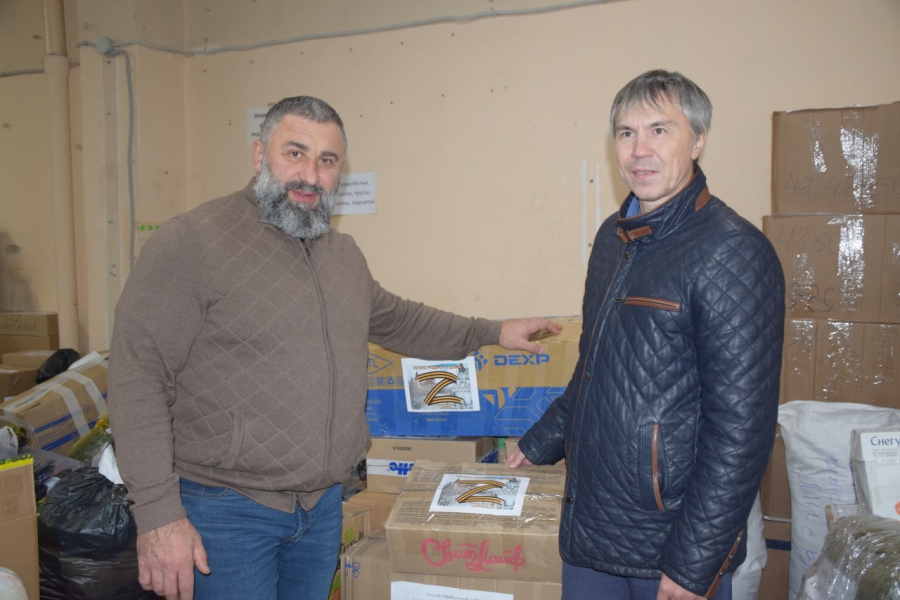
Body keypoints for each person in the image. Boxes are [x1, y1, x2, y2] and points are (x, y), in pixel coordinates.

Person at [108, 95, 559, 600]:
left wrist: (493, 330)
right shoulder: (193, 242)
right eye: (294, 153)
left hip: (321, 509)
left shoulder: (341, 254)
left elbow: (401, 320)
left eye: (327, 160)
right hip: (226, 512)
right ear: (259, 155)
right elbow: (137, 377)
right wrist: (158, 515)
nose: (310, 175)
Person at [508, 70, 785, 600]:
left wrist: (695, 562)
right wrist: (541, 440)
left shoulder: (733, 251)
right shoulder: (612, 240)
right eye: (626, 133)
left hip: (670, 542)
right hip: (592, 527)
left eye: (659, 130)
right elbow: (596, 366)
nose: (640, 150)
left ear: (697, 140)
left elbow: (742, 431)